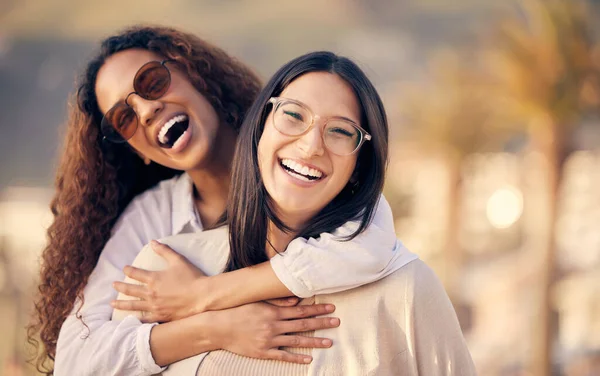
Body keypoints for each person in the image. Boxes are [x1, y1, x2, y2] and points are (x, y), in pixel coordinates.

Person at [28, 26, 413, 376]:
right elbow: (77, 360)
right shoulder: (151, 222)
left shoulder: (293, 160)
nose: (146, 111)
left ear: (194, 74)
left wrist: (203, 294)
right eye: (123, 119)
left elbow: (372, 240)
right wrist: (214, 327)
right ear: (135, 149)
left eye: (152, 81)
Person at [113, 51, 476, 375]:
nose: (311, 145)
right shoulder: (160, 275)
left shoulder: (406, 291)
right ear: (260, 128)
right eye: (292, 115)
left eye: (339, 131)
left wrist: (205, 296)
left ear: (359, 167)